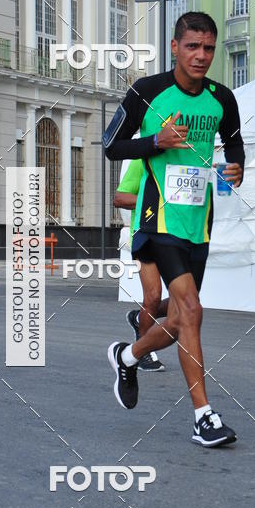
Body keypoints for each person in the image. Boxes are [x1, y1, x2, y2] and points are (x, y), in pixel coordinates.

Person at [103, 11, 245, 447]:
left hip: (198, 221)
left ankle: (128, 355)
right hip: (156, 215)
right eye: (192, 47)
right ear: (174, 47)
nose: (201, 56)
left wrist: (237, 169)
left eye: (208, 48)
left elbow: (235, 147)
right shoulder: (147, 93)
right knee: (192, 312)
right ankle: (204, 415)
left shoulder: (222, 98)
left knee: (183, 317)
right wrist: (156, 143)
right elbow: (111, 145)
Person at [114, 159, 167, 372]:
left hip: (179, 237)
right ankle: (142, 350)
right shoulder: (142, 159)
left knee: (186, 304)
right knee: (153, 297)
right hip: (147, 236)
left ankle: (139, 318)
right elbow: (119, 198)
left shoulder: (187, 161)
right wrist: (157, 201)